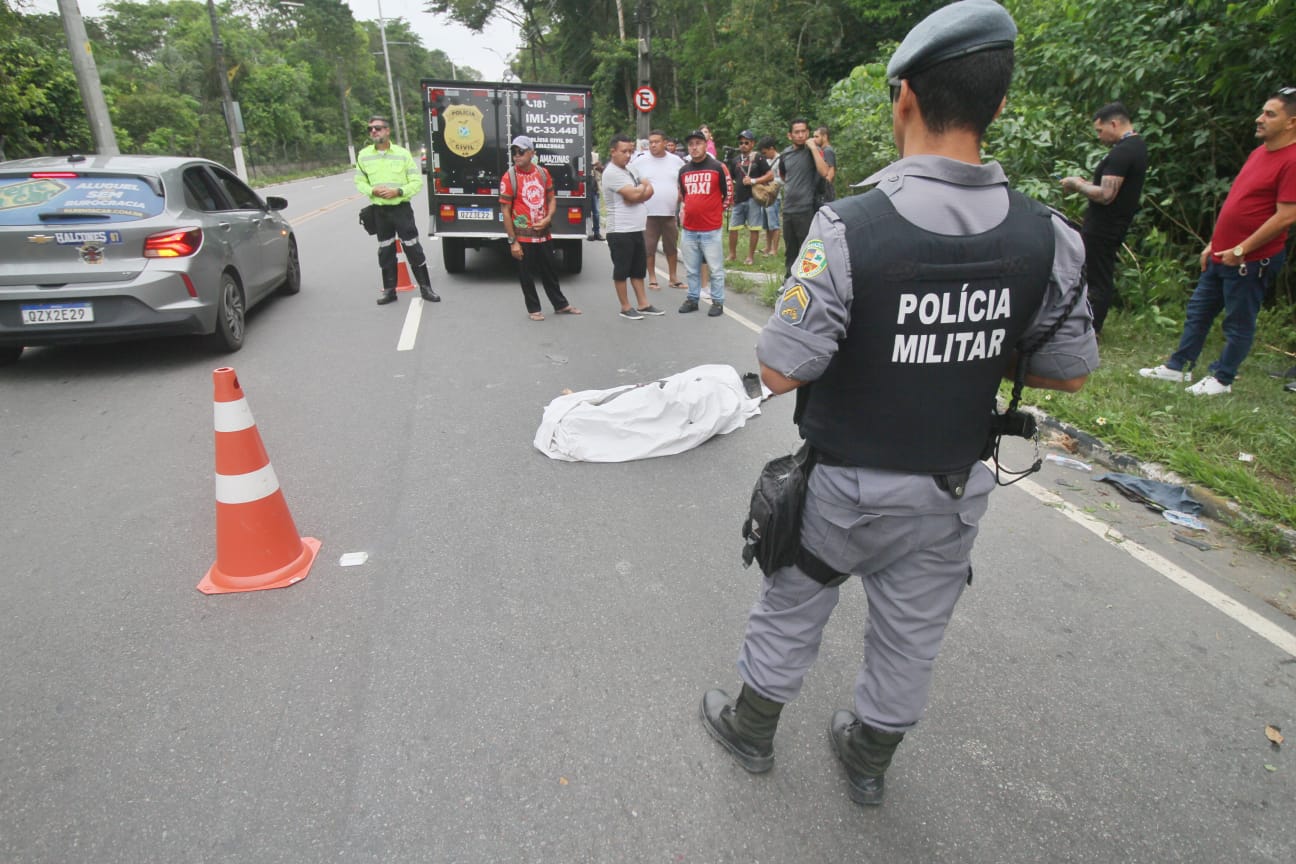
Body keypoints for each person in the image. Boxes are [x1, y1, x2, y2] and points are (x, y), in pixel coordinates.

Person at [699, 0, 1098, 807]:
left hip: (843, 488)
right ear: (1000, 103)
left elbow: (780, 370)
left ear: (904, 99)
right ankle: (869, 758)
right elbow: (1068, 371)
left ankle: (751, 728)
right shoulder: (1048, 235)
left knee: (794, 602)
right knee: (914, 632)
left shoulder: (849, 229)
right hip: (951, 487)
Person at [1139, 88, 1296, 395]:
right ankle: (1178, 367)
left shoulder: (1291, 160)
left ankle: (1222, 378)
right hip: (1222, 253)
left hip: (1250, 259)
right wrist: (1214, 242)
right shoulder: (1258, 153)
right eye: (1262, 112)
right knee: (1198, 311)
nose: (1259, 119)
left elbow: (1286, 216)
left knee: (1238, 322)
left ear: (1291, 122)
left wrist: (1242, 249)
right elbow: (1238, 201)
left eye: (1270, 114)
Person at [1060, 102, 1148, 335]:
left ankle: (1091, 328)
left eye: (1100, 131)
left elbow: (1107, 195)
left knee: (1097, 277)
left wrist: (1076, 184)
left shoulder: (1123, 152)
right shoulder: (1137, 147)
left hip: (1104, 227)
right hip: (1112, 224)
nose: (1099, 136)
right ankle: (1088, 324)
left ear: (1114, 123)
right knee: (1099, 273)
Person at [354, 115, 439, 305]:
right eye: (371, 129)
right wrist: (372, 190)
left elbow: (416, 182)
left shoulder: (402, 154)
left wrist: (398, 191)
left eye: (377, 128)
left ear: (387, 130)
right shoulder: (364, 155)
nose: (373, 132)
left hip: (401, 209)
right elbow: (360, 181)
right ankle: (390, 291)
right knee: (385, 250)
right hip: (380, 211)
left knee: (413, 247)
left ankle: (426, 289)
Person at [499, 135, 581, 321]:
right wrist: (513, 242)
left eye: (521, 151)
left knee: (550, 270)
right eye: (514, 152)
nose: (516, 156)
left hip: (544, 235)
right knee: (526, 274)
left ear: (532, 153)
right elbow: (505, 211)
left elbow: (552, 199)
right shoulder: (509, 177)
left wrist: (548, 218)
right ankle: (533, 309)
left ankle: (560, 304)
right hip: (523, 236)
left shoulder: (543, 173)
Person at [602, 133, 664, 319]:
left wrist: (638, 193)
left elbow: (648, 189)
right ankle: (625, 306)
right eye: (624, 151)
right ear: (613, 152)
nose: (628, 155)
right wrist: (637, 193)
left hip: (637, 228)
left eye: (630, 151)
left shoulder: (631, 169)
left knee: (638, 268)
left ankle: (643, 303)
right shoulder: (611, 172)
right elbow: (633, 196)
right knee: (622, 270)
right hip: (620, 230)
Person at [678, 129, 731, 317]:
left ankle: (717, 302)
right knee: (691, 269)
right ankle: (693, 299)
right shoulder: (684, 171)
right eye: (691, 144)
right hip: (689, 229)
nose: (694, 147)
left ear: (705, 144)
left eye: (698, 143)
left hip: (711, 229)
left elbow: (729, 194)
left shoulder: (717, 167)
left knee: (716, 269)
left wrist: (716, 213)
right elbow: (684, 195)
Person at [778, 117, 835, 278]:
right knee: (790, 250)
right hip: (789, 208)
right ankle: (789, 281)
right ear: (790, 135)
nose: (801, 135)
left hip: (806, 208)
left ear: (808, 133)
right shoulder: (786, 154)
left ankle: (807, 282)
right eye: (797, 132)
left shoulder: (813, 151)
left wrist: (813, 148)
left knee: (807, 249)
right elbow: (783, 175)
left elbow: (824, 172)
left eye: (804, 131)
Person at [632, 130, 687, 290]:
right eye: (651, 142)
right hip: (648, 212)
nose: (653, 145)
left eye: (657, 141)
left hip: (670, 212)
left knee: (671, 245)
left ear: (665, 143)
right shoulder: (640, 161)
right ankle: (652, 278)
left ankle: (673, 277)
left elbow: (683, 182)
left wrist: (680, 194)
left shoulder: (676, 161)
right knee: (649, 247)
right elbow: (631, 179)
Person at [726, 130, 773, 265]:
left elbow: (770, 175)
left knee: (754, 228)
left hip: (754, 198)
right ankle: (732, 254)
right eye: (741, 143)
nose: (743, 145)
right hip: (738, 198)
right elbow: (731, 178)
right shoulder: (735, 160)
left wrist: (754, 181)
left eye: (746, 142)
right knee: (733, 227)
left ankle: (750, 256)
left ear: (752, 144)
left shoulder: (758, 158)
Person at [758, 136, 783, 256]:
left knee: (774, 224)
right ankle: (767, 247)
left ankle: (775, 249)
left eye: (765, 152)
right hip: (764, 196)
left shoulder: (781, 160)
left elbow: (783, 179)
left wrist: (770, 180)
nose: (764, 155)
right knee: (766, 224)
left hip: (774, 196)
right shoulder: (766, 161)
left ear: (772, 149)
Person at [813, 125, 838, 202]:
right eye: (813, 137)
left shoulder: (827, 151)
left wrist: (824, 191)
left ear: (824, 137)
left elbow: (831, 173)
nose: (814, 139)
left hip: (825, 195)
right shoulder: (822, 151)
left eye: (817, 137)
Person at [588, 149, 605, 241]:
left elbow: (601, 170)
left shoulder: (595, 156)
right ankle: (590, 233)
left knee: (596, 213)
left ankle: (597, 233)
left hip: (594, 188)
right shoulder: (580, 153)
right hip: (585, 188)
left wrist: (598, 166)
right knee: (587, 213)